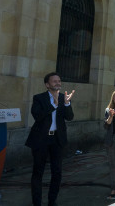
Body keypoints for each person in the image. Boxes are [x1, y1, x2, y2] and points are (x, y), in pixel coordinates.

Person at [25, 72, 75, 206]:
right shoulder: (39, 98)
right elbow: (38, 116)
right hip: (41, 140)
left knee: (57, 172)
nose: (58, 83)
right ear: (47, 84)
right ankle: (37, 202)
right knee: (38, 172)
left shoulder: (64, 97)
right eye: (54, 81)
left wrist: (66, 104)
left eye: (59, 81)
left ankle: (52, 201)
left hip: (57, 140)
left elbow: (70, 117)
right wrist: (53, 105)